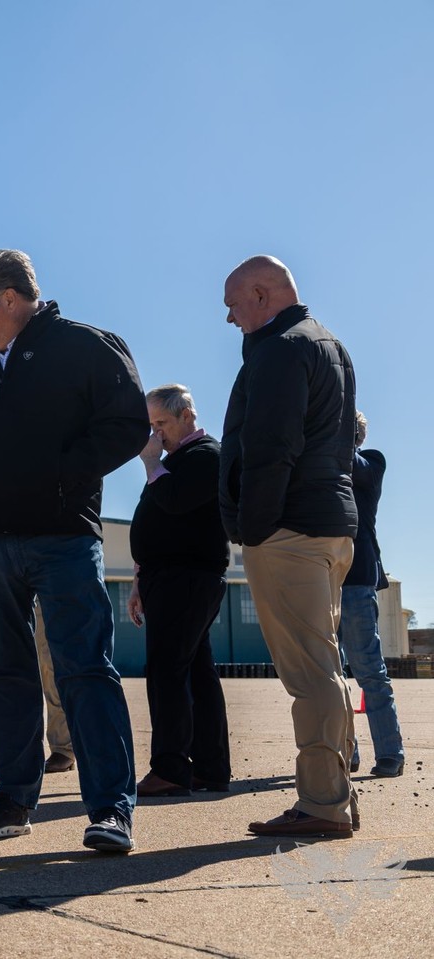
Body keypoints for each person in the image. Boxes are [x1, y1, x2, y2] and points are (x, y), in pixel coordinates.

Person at [0, 249, 147, 853]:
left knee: (84, 670)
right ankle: (12, 799)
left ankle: (110, 809)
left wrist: (60, 477)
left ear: (8, 298)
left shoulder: (85, 347)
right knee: (1, 674)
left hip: (63, 539)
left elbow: (126, 424)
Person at [219, 255, 359, 838]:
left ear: (260, 293)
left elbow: (271, 447)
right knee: (323, 663)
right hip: (328, 526)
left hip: (291, 531)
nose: (229, 319)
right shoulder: (328, 342)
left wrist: (253, 527)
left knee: (310, 672)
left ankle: (324, 803)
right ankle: (334, 797)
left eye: (232, 305)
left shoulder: (280, 348)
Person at [126, 385, 231, 798]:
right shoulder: (173, 461)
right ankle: (209, 768)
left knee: (167, 673)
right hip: (166, 578)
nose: (155, 436)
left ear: (186, 416)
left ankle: (170, 769)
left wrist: (151, 463)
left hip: (187, 578)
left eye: (161, 424)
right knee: (196, 674)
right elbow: (156, 519)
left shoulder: (206, 455)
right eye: (151, 427)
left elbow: (172, 502)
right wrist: (138, 580)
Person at [339, 411, 403, 778]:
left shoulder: (371, 462)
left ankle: (390, 753)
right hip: (323, 576)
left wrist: (331, 430)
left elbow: (353, 464)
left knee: (369, 671)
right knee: (330, 674)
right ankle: (348, 753)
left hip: (357, 578)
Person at [0, 600, 75, 774]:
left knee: (49, 667)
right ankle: (7, 751)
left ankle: (63, 749)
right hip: (6, 583)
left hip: (42, 586)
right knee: (5, 670)